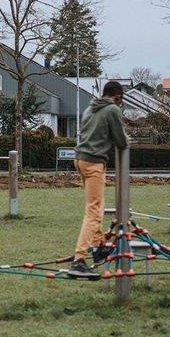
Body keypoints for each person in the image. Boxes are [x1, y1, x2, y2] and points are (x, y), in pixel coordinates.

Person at [69, 80, 128, 278]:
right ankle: (79, 260)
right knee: (93, 212)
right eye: (121, 100)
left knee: (97, 205)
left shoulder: (90, 108)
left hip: (80, 159)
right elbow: (121, 141)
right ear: (118, 96)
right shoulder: (112, 110)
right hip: (94, 162)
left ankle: (98, 246)